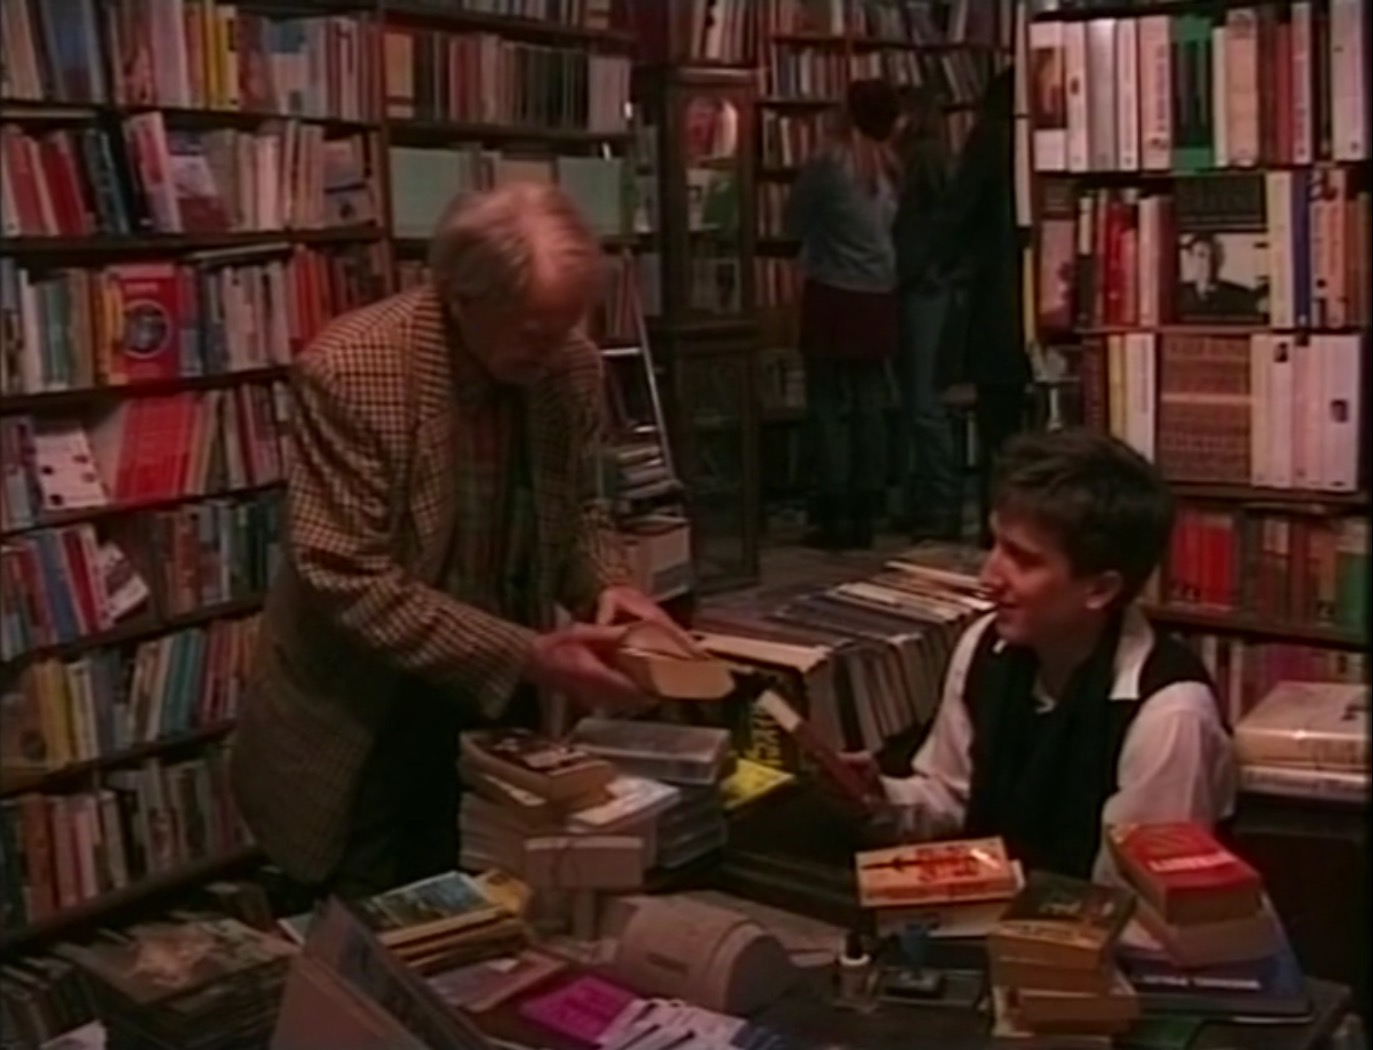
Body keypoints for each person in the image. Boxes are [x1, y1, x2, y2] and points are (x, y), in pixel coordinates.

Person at [230, 183, 684, 899]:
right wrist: (529, 654)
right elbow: (347, 574)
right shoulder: (353, 370)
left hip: (503, 691)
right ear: (462, 296)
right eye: (534, 332)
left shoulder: (569, 366)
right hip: (369, 703)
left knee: (503, 891)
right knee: (377, 912)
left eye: (566, 326)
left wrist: (610, 586)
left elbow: (580, 509)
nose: (553, 351)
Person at [845, 429, 1237, 881]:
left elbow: (1135, 899)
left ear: (1100, 589)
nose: (989, 576)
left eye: (1023, 560)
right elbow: (952, 800)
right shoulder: (986, 645)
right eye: (994, 544)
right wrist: (877, 796)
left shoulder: (1169, 716)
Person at [784, 78, 902, 551]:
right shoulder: (891, 167)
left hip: (834, 292)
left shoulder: (829, 164)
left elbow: (793, 220)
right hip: (880, 293)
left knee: (827, 405)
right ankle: (868, 505)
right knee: (870, 403)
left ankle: (834, 508)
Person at [931, 68, 1031, 547]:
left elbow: (958, 214)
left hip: (997, 302)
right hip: (1033, 295)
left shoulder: (988, 141)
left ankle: (999, 526)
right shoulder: (1036, 140)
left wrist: (938, 262)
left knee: (999, 428)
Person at [892, 85, 961, 541]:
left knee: (922, 401)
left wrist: (930, 267)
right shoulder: (922, 156)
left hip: (923, 285)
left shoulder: (925, 158)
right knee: (915, 401)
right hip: (915, 282)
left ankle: (940, 502)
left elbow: (939, 223)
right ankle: (926, 500)